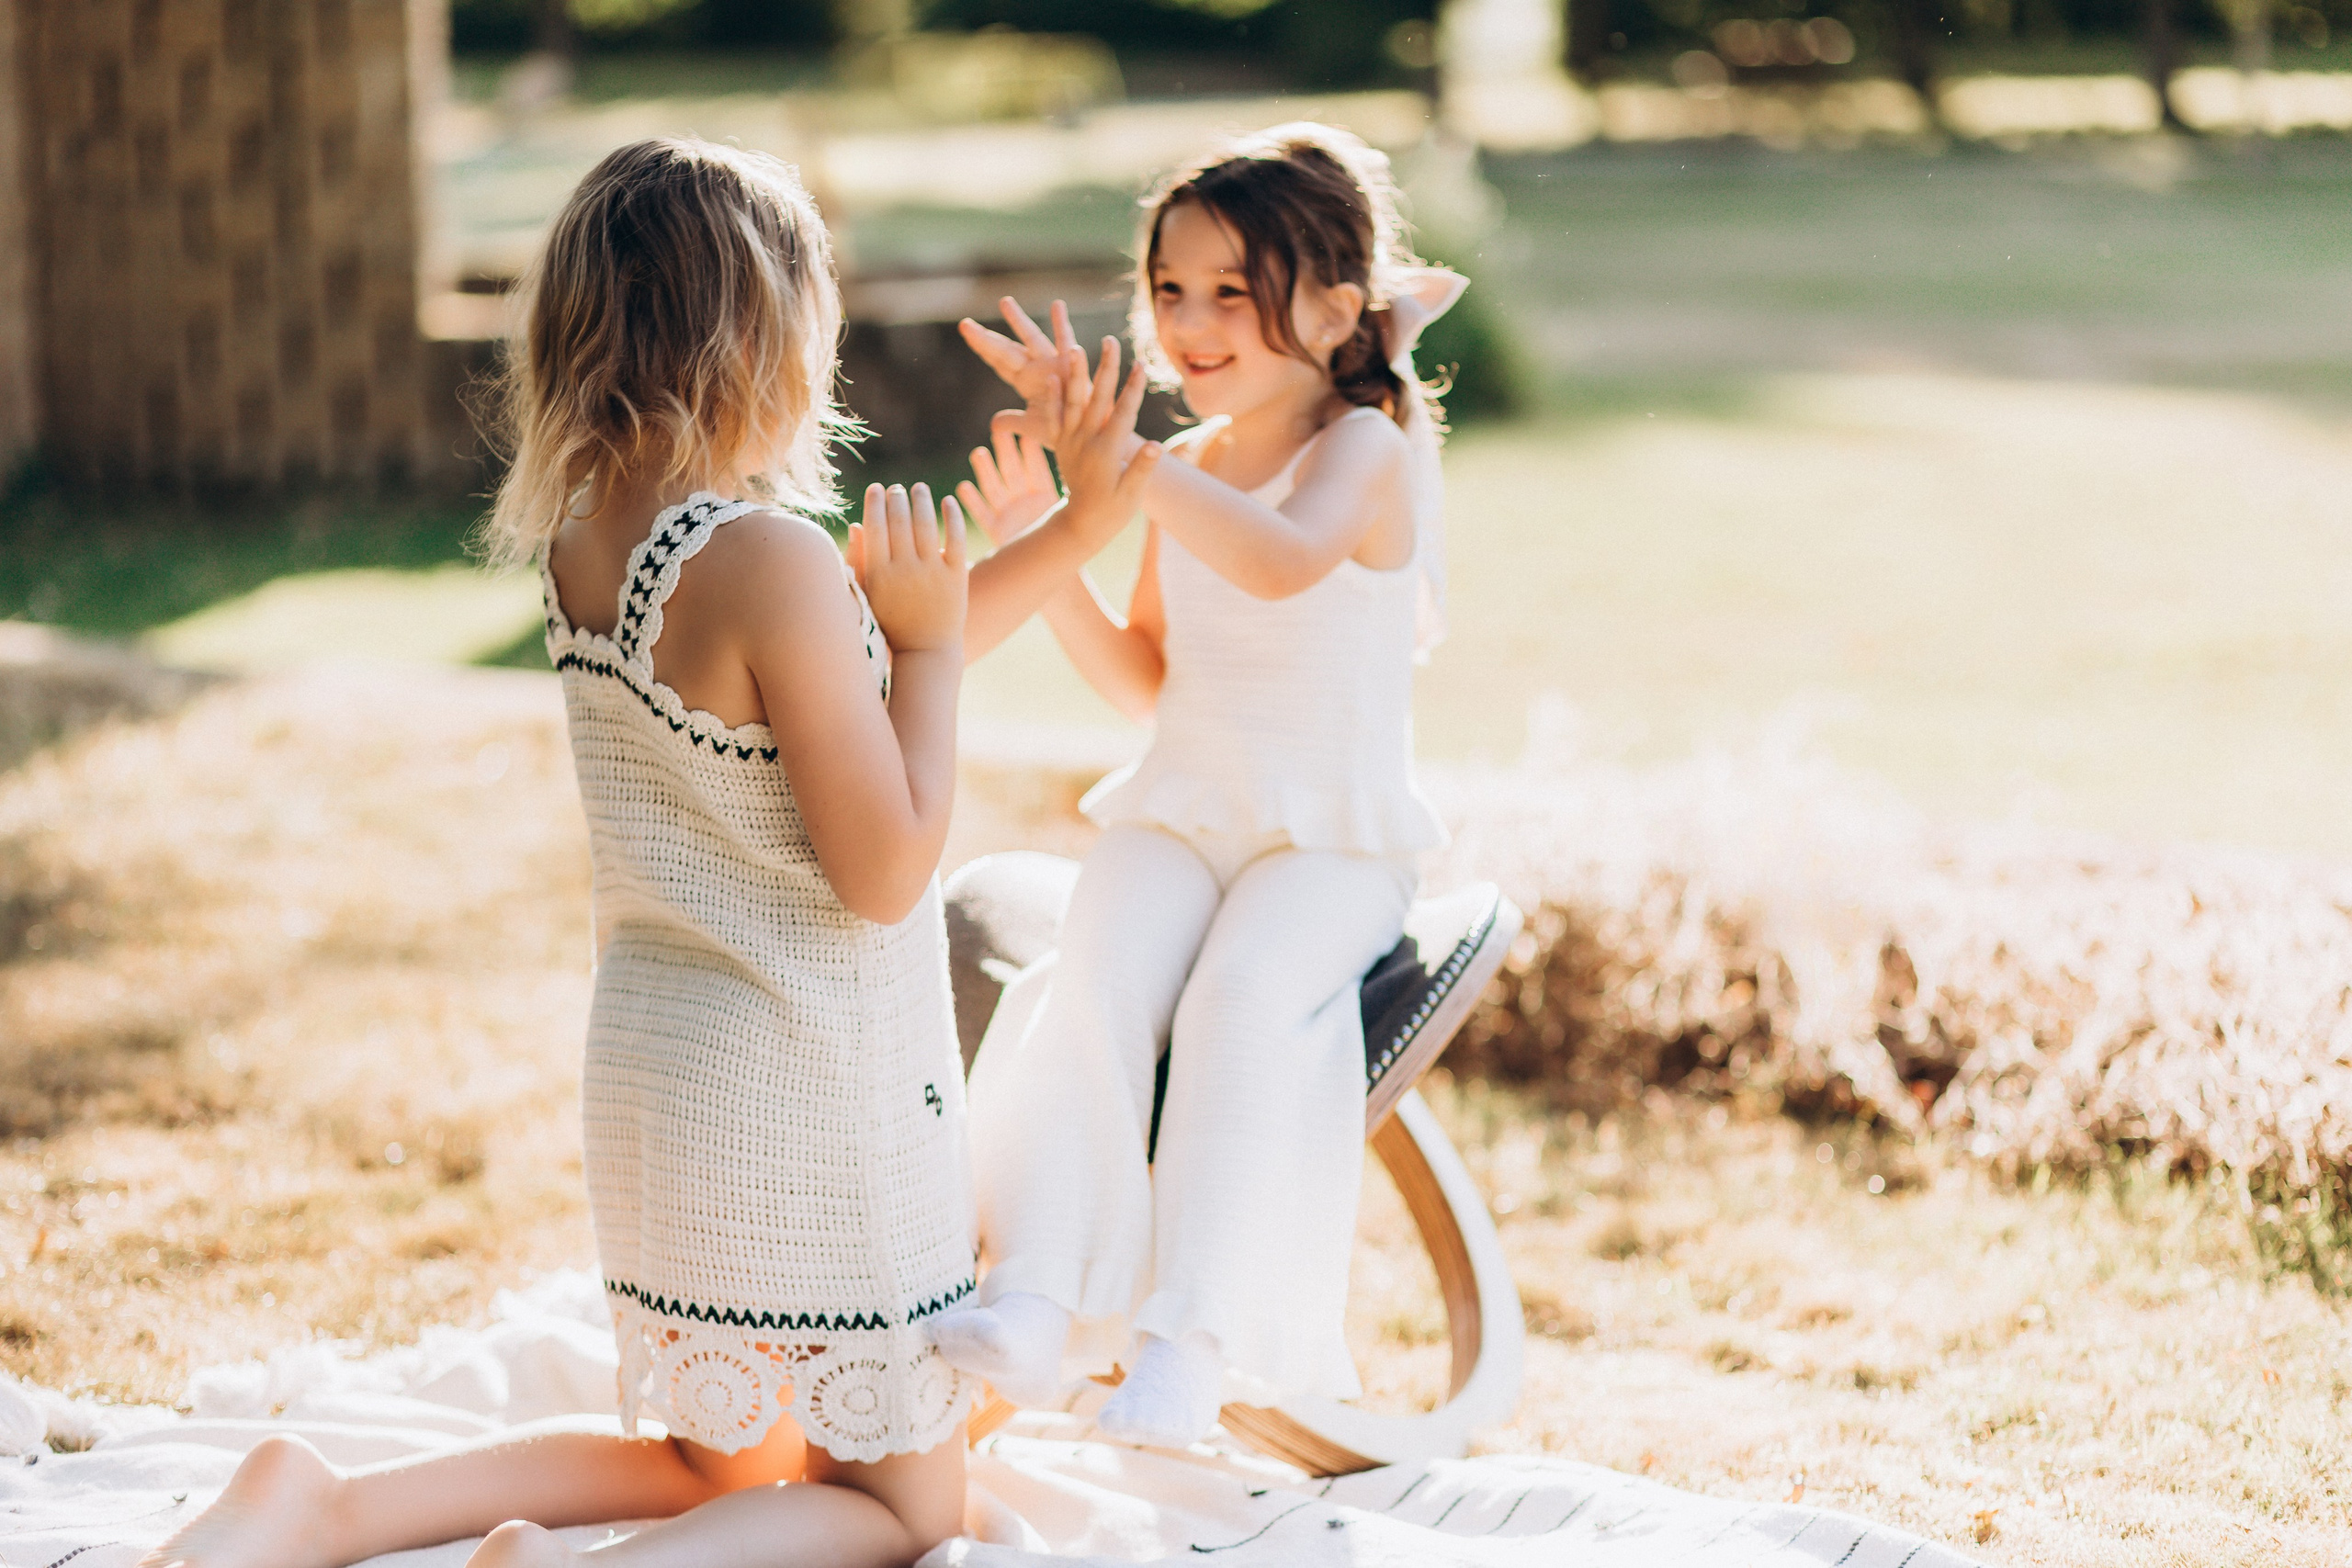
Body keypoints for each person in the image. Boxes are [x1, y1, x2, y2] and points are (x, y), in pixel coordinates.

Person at [141, 138, 1157, 1568]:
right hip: (811, 1109)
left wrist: (1067, 535)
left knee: (712, 1468)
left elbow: (828, 710)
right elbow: (885, 864)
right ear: (756, 338)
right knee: (896, 1514)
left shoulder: (594, 539)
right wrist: (925, 646)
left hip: (664, 1088)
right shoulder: (776, 560)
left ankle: (332, 1505)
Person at [927, 123, 1466, 1448]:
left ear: (1338, 306)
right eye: (1170, 290)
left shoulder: (1363, 449)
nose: (1190, 323)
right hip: (1187, 805)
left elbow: (1286, 563)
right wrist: (1040, 542)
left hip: (1330, 845)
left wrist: (1122, 467)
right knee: (1090, 971)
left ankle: (1191, 1343)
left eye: (1233, 290)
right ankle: (1038, 1295)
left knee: (1240, 1003)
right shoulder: (1197, 466)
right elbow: (1142, 681)